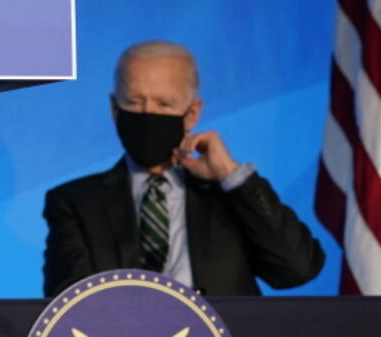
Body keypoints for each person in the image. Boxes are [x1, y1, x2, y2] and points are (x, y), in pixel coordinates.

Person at [42, 41, 324, 297]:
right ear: (115, 109)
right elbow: (70, 303)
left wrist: (230, 175)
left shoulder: (229, 195)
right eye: (134, 102)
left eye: (164, 104)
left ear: (192, 113)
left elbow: (297, 269)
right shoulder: (75, 203)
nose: (146, 115)